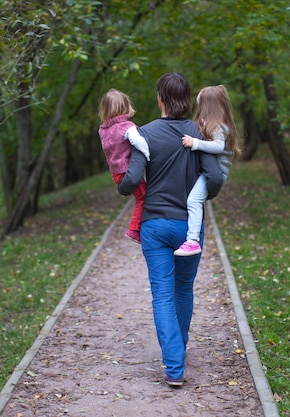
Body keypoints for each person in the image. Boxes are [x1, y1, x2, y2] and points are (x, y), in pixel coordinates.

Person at [118, 72, 224, 387]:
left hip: (154, 226)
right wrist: (203, 196)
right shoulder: (198, 133)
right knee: (183, 288)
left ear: (161, 99)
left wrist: (123, 186)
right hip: (188, 226)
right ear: (187, 99)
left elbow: (132, 180)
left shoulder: (144, 133)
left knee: (162, 294)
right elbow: (215, 178)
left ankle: (174, 367)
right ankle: (179, 348)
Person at [174, 85, 241, 256]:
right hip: (208, 171)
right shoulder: (213, 124)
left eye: (201, 105)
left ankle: (192, 240)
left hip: (216, 172)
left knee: (194, 201)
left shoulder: (220, 127)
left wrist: (194, 143)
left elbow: (218, 147)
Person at [98, 88, 150, 243]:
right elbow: (138, 141)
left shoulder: (103, 129)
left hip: (116, 173)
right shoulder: (127, 127)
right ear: (125, 107)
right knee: (143, 198)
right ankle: (134, 229)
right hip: (128, 171)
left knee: (140, 195)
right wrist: (148, 155)